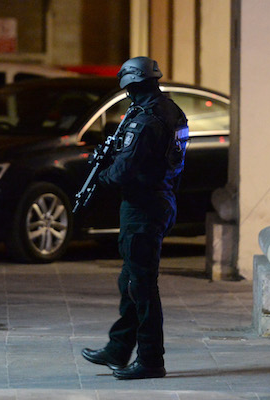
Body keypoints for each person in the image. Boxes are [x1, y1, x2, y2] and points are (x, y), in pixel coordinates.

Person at [81, 56, 188, 380]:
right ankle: (119, 347)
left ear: (131, 83)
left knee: (141, 286)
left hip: (143, 207)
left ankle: (151, 359)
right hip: (160, 199)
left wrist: (102, 175)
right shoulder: (169, 110)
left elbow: (125, 170)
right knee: (130, 281)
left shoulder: (145, 118)